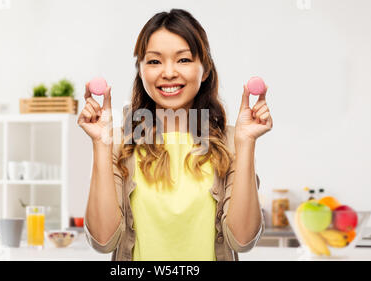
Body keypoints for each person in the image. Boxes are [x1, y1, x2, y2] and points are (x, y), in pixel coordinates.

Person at [78, 9, 273, 261]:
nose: (168, 72)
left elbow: (243, 240)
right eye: (154, 61)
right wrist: (101, 144)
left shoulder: (231, 142)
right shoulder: (119, 143)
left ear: (204, 71)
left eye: (183, 60)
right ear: (141, 71)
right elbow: (103, 241)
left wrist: (246, 144)